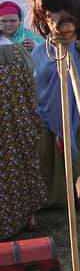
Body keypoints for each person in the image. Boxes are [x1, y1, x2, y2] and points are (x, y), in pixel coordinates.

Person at [29, 0, 80, 210]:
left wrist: (77, 44)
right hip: (47, 109)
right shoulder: (42, 50)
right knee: (49, 154)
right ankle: (53, 197)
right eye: (51, 14)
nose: (57, 18)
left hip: (77, 109)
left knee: (79, 152)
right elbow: (38, 78)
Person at [0, 28, 46, 238]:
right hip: (21, 121)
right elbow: (35, 86)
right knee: (23, 166)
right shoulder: (21, 52)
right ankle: (28, 217)